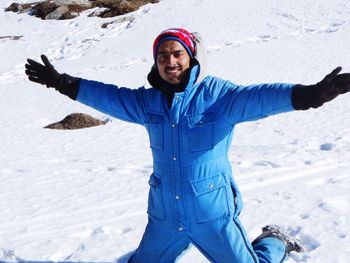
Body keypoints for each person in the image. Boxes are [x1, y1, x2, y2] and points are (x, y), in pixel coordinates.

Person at [25, 28, 350, 263]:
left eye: (177, 53)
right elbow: (110, 97)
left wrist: (308, 96)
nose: (170, 61)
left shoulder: (219, 97)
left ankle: (274, 241)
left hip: (212, 214)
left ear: (190, 57)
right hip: (165, 214)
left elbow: (259, 97)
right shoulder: (146, 102)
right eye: (163, 55)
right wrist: (63, 83)